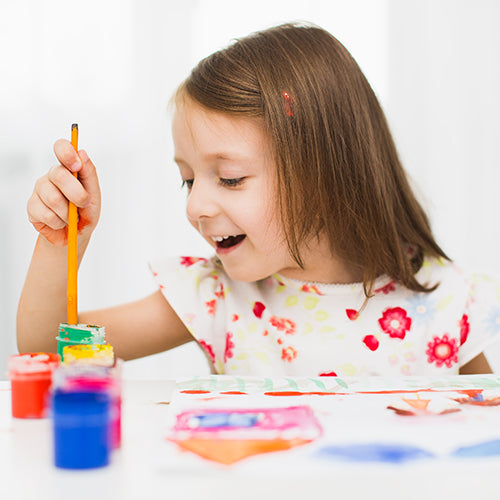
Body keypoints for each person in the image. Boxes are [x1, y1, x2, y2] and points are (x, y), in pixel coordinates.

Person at [17, 22, 499, 376]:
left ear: (327, 173)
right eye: (188, 180)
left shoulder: (446, 301)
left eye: (229, 178)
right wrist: (61, 246)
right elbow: (46, 348)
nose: (196, 207)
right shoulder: (216, 295)